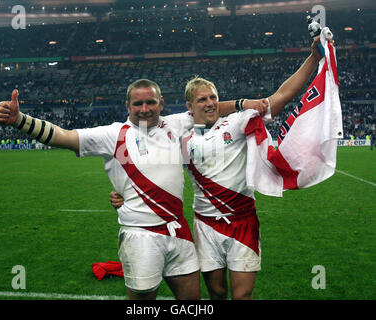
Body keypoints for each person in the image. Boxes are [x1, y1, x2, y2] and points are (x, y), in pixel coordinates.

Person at [0, 78, 267, 300]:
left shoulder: (175, 123)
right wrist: (20, 120)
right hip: (141, 236)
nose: (145, 108)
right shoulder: (112, 134)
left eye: (150, 102)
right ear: (128, 105)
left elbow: (211, 107)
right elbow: (63, 137)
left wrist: (245, 104)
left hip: (179, 232)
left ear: (161, 103)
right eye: (138, 104)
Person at [110, 37, 324, 300]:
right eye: (202, 99)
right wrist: (122, 193)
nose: (210, 103)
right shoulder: (179, 137)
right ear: (190, 107)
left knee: (242, 295)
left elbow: (279, 97)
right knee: (216, 293)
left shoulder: (236, 123)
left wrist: (313, 58)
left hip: (243, 220)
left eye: (213, 97)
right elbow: (146, 163)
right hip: (205, 225)